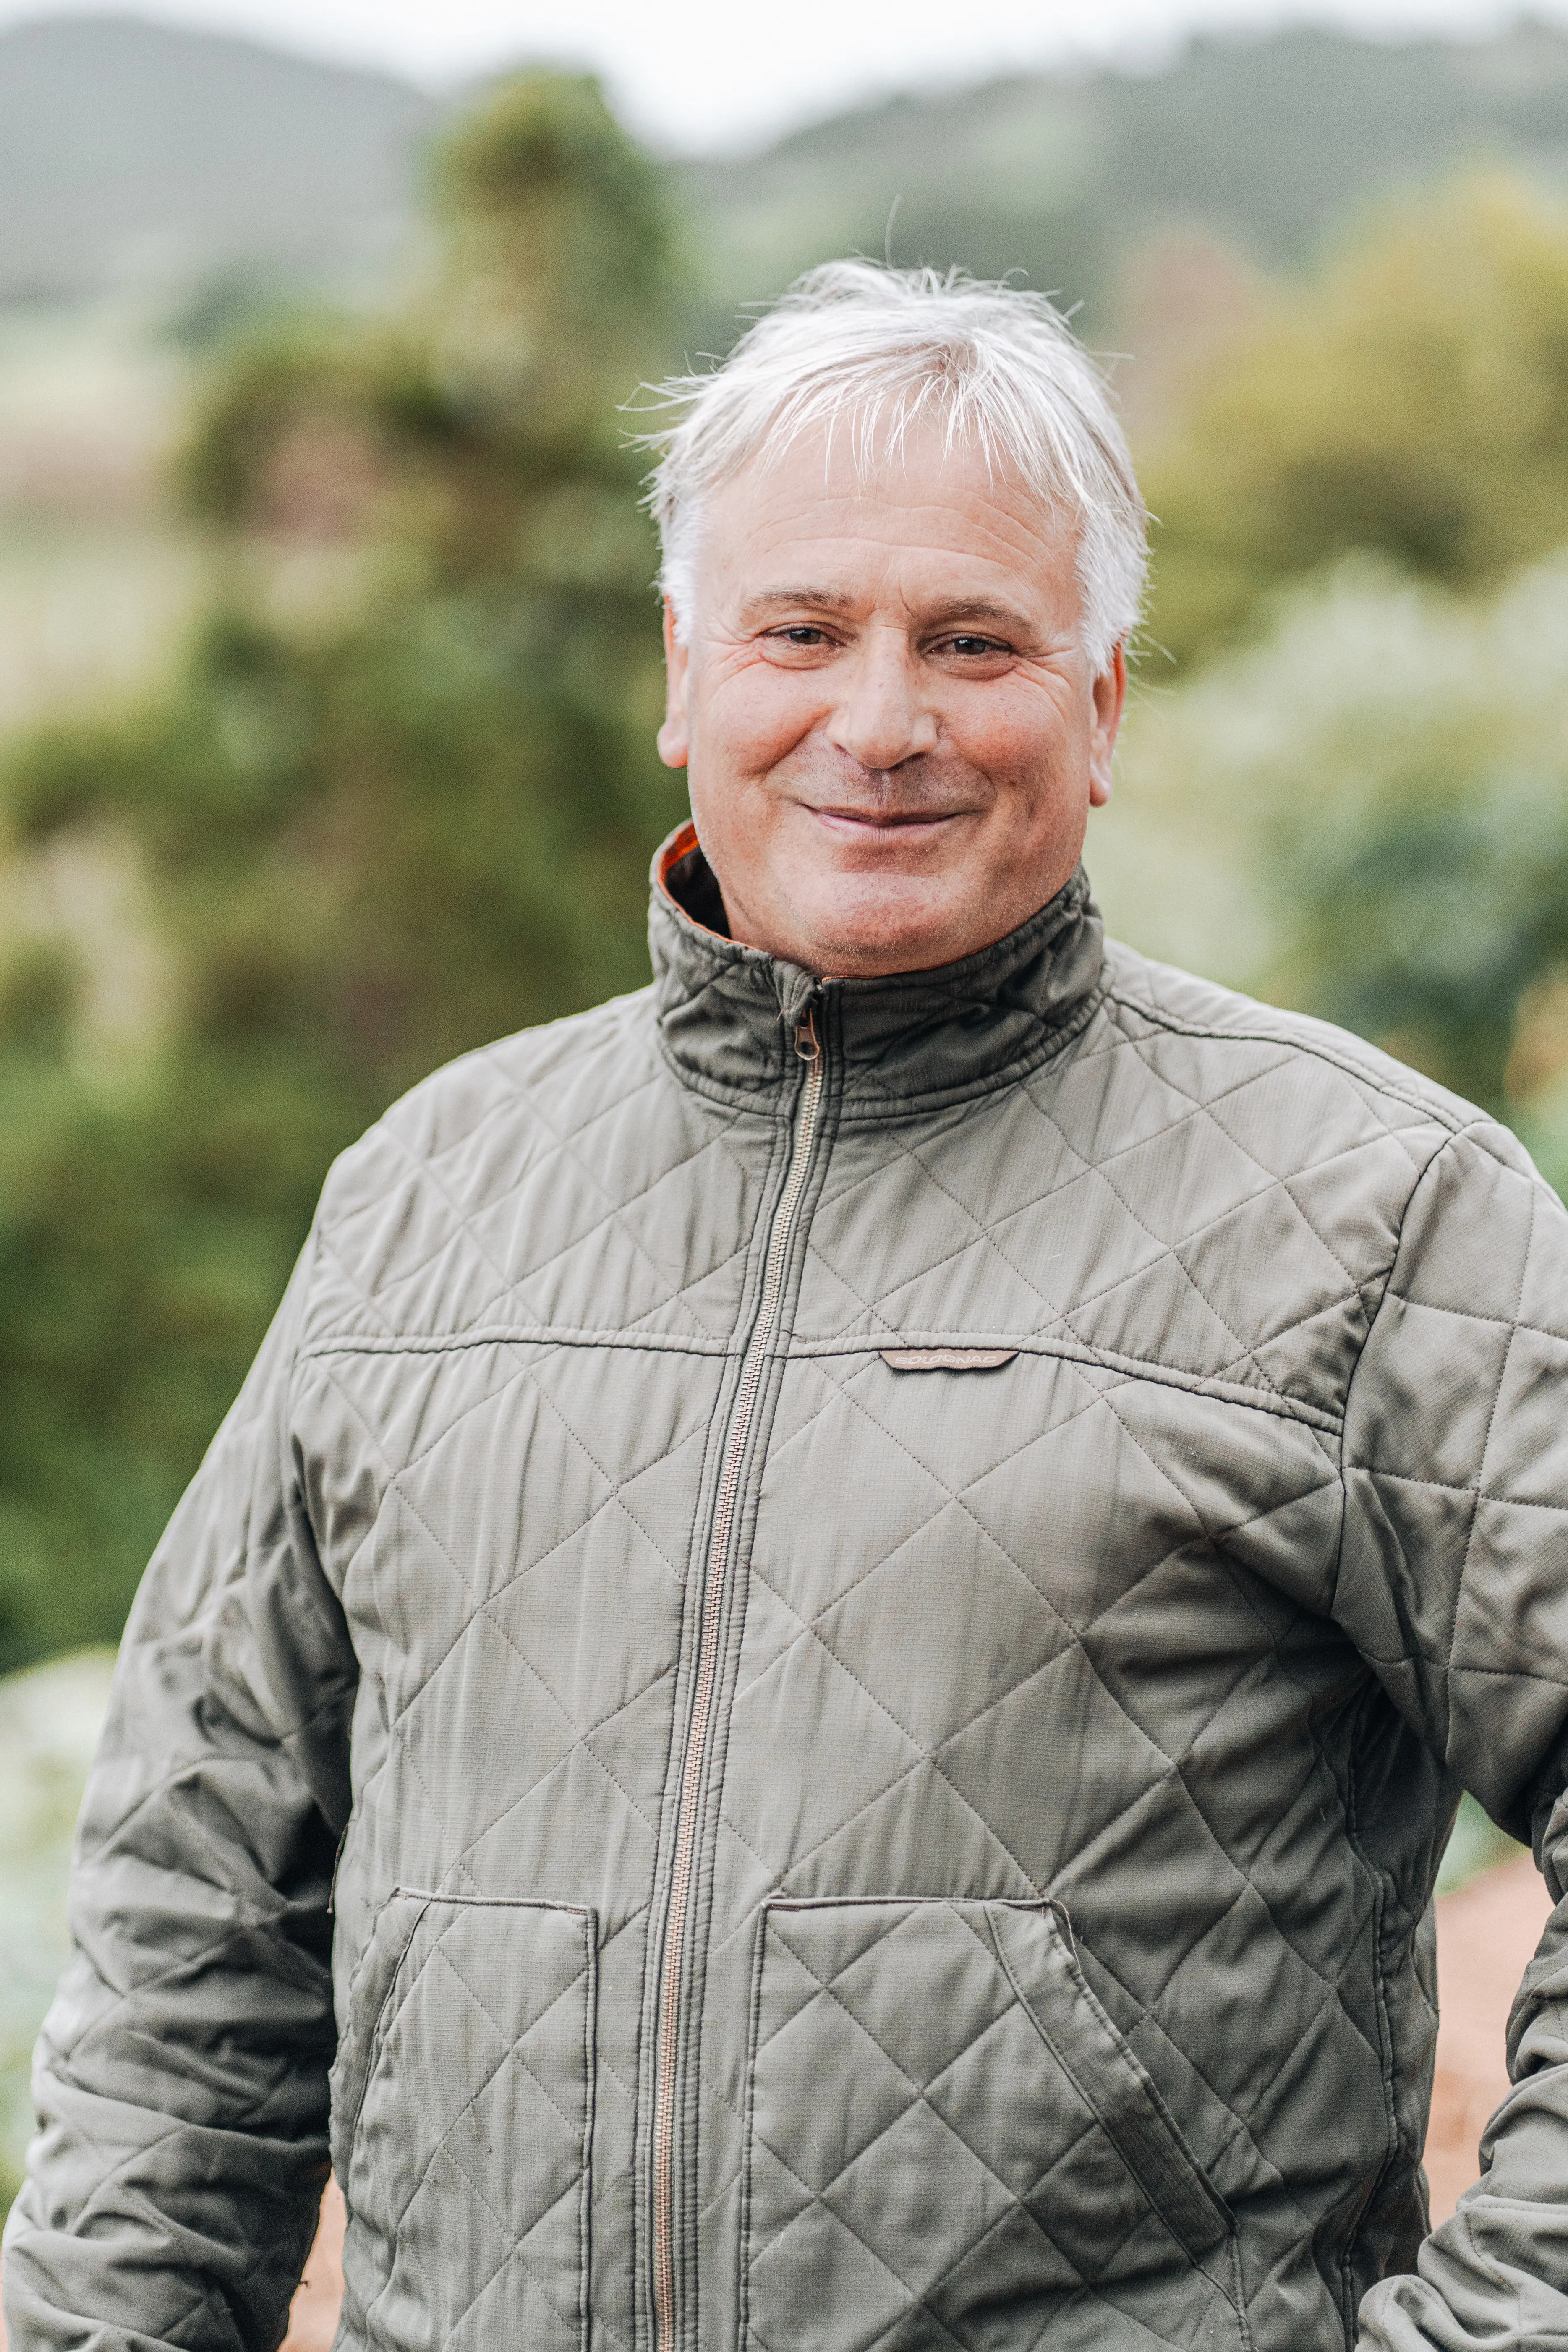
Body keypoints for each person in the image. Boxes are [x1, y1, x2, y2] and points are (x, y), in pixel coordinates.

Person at [6, 260, 1568, 2352]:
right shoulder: (427, 1195)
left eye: (976, 641)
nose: (883, 720)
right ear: (683, 674)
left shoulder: (1374, 1207)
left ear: (1099, 708)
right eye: (803, 631)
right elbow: (195, 1909)